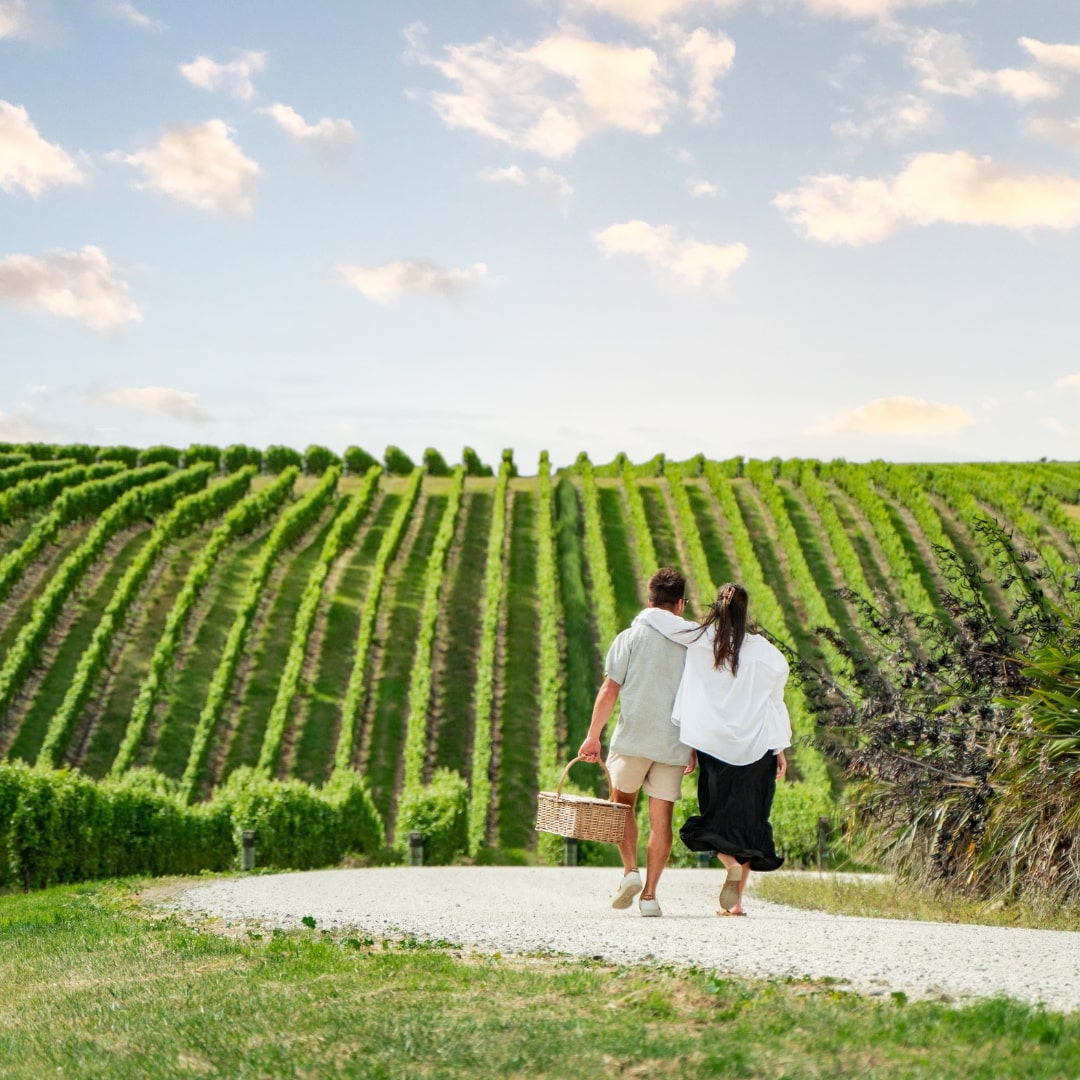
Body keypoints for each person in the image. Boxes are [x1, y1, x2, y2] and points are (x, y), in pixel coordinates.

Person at [636, 582, 791, 916]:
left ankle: (728, 862)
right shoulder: (765, 652)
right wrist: (780, 748)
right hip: (756, 749)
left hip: (714, 748)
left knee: (713, 819)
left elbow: (656, 617)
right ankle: (735, 905)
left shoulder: (701, 637)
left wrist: (645, 614)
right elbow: (774, 702)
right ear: (745, 612)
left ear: (716, 608)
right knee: (747, 823)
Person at [578, 568, 694, 917]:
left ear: (649, 600)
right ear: (679, 604)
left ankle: (630, 871)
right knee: (662, 822)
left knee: (621, 807)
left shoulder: (629, 638)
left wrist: (593, 736)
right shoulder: (690, 643)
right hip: (672, 744)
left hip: (631, 740)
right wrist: (694, 745)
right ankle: (650, 896)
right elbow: (699, 698)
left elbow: (609, 690)